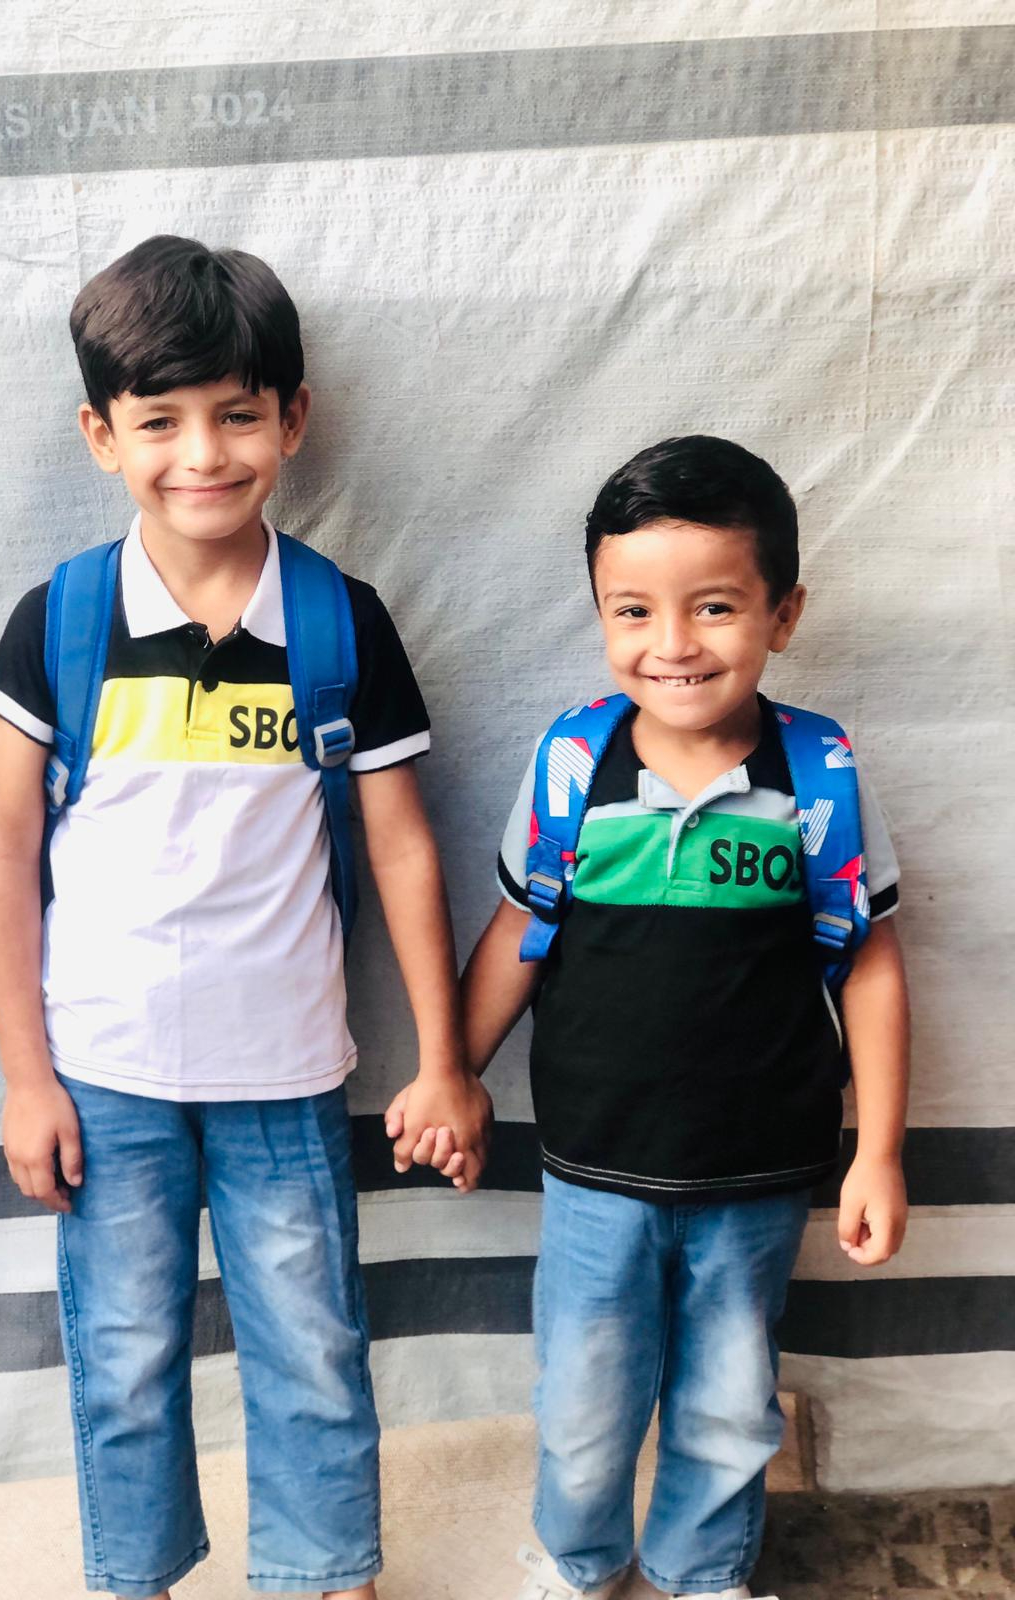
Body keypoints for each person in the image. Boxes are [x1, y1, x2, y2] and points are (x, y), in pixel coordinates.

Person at [0, 234, 491, 1600]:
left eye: (237, 415)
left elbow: (404, 849)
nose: (201, 454)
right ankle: (133, 1574)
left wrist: (443, 1061)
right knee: (124, 1353)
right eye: (159, 421)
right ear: (101, 436)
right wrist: (25, 1076)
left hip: (285, 1073)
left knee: (311, 1344)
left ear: (292, 420)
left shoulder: (339, 624)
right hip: (104, 1073)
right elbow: (5, 851)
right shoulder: (62, 623)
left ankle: (326, 1572)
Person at [445, 436, 909, 1599]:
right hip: (595, 1167)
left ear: (783, 612)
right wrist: (451, 1072)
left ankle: (703, 1569)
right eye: (634, 610)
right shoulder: (574, 763)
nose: (674, 643)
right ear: (602, 615)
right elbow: (517, 929)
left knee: (728, 1401)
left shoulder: (820, 773)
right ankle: (581, 1561)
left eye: (714, 606)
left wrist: (881, 1152)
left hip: (759, 1171)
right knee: (584, 1399)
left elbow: (868, 966)